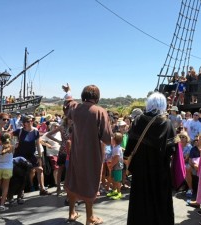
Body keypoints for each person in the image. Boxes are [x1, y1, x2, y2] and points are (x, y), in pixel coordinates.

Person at [123, 92, 176, 225]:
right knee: (159, 199)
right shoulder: (167, 123)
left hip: (141, 168)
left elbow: (130, 144)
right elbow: (172, 150)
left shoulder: (139, 120)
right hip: (160, 169)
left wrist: (126, 158)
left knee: (140, 198)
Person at [62, 84, 112, 225]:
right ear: (97, 97)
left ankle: (72, 212)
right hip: (92, 154)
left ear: (84, 95)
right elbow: (107, 139)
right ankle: (89, 218)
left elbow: (68, 104)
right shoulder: (100, 112)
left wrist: (68, 91)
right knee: (91, 181)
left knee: (73, 179)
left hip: (76, 152)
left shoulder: (75, 108)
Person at [13, 116, 50, 196]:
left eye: (31, 121)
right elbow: (8, 135)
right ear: (24, 123)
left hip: (31, 154)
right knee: (22, 173)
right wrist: (12, 145)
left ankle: (42, 188)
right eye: (29, 121)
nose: (31, 122)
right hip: (20, 155)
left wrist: (39, 156)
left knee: (40, 169)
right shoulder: (19, 131)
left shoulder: (35, 131)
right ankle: (21, 191)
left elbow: (37, 144)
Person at [107, 132, 123, 200]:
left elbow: (116, 159)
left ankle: (119, 193)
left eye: (112, 138)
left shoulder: (117, 149)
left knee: (117, 180)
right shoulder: (115, 147)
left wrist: (111, 165)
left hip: (117, 166)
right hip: (114, 165)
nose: (111, 139)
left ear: (115, 140)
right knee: (113, 179)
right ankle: (114, 191)